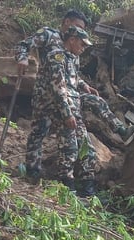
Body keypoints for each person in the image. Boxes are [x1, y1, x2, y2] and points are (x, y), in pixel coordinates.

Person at [18, 10, 134, 179]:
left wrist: (85, 86)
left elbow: (73, 75)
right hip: (46, 95)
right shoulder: (48, 34)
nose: (79, 31)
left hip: (68, 96)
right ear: (67, 22)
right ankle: (33, 170)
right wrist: (22, 58)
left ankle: (121, 130)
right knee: (39, 131)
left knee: (94, 102)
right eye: (77, 26)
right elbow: (24, 45)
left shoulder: (75, 50)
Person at [45, 27, 98, 196]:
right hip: (63, 111)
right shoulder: (56, 56)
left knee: (87, 149)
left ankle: (88, 193)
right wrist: (66, 113)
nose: (83, 48)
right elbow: (58, 87)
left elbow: (74, 78)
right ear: (72, 40)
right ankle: (68, 193)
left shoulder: (73, 59)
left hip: (75, 109)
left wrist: (85, 86)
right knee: (69, 151)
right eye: (82, 44)